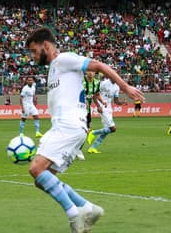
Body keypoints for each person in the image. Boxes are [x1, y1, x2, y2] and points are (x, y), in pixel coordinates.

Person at [26, 27, 144, 233]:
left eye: (34, 51)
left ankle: (74, 214)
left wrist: (125, 87)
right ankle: (88, 208)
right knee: (43, 179)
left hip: (68, 124)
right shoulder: (55, 67)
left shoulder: (63, 59)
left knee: (36, 169)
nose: (33, 56)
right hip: (71, 126)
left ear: (46, 45)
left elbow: (98, 65)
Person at [87, 77, 127, 154]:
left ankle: (92, 148)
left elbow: (116, 101)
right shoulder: (104, 83)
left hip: (109, 109)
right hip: (102, 107)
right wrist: (98, 106)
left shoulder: (117, 87)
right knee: (113, 128)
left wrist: (122, 103)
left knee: (106, 130)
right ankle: (93, 132)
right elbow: (95, 95)